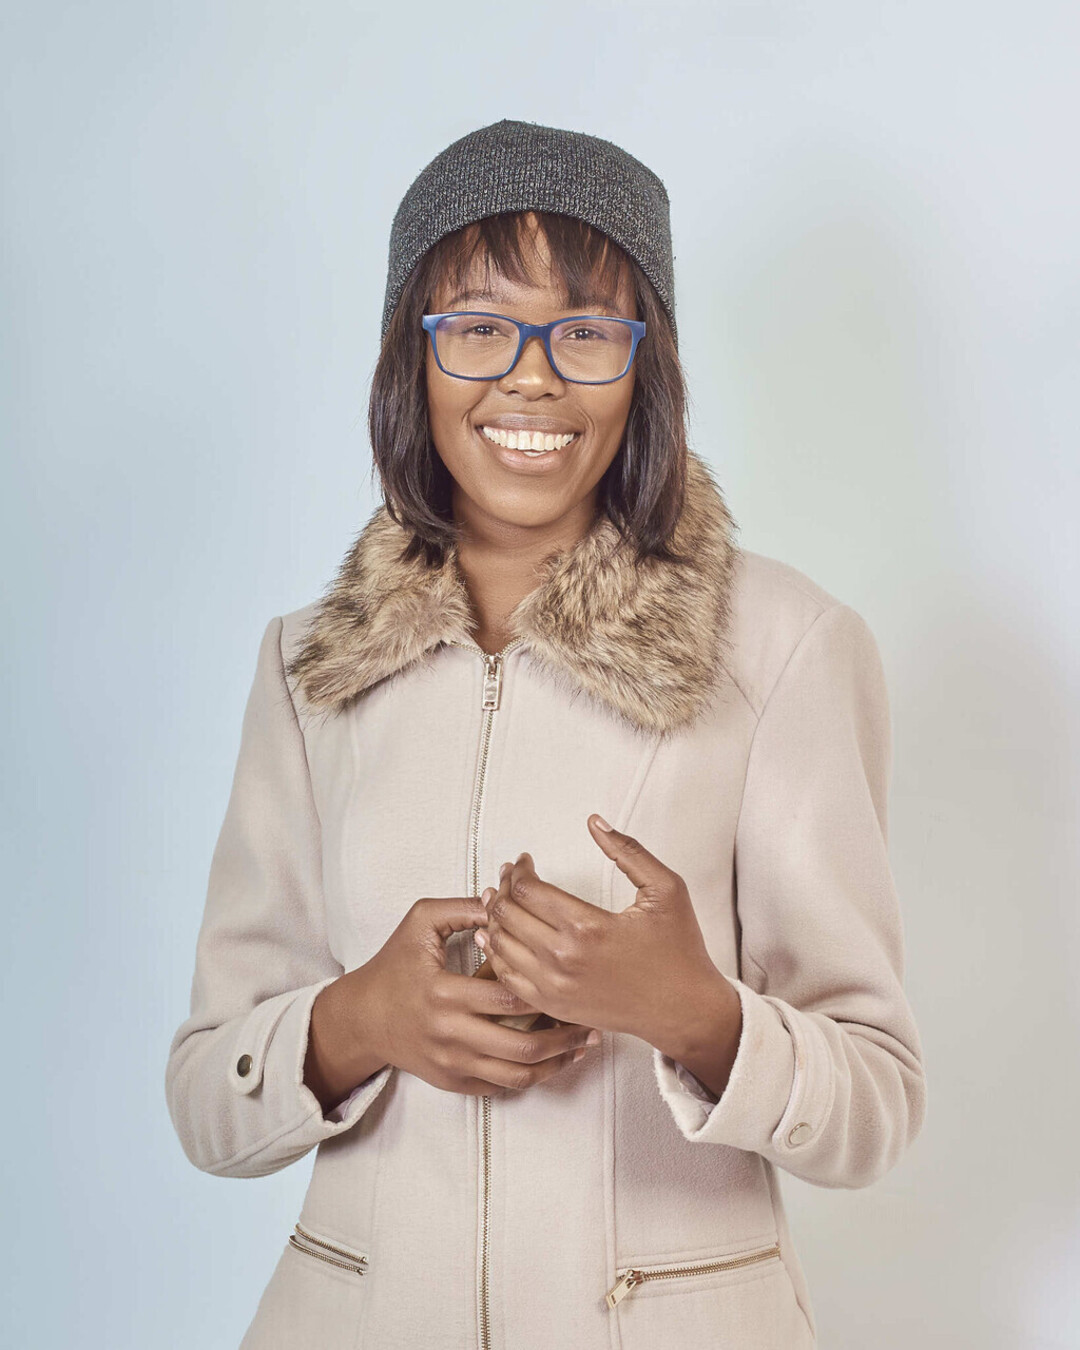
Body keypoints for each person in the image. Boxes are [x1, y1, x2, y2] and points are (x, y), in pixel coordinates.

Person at [165, 119, 927, 1350]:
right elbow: (207, 1101)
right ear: (412, 358)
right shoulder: (310, 669)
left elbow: (876, 1102)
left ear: (645, 366)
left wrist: (695, 1013)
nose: (531, 379)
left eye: (585, 332)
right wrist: (358, 1021)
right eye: (477, 327)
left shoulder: (785, 648)